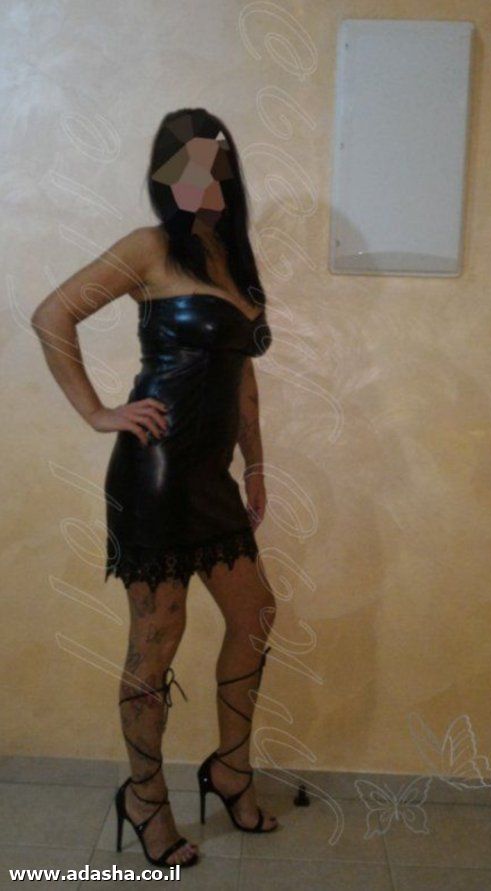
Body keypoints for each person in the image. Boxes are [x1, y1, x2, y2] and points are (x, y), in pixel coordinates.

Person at [31, 108, 279, 870]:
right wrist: (98, 411)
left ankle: (229, 767)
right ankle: (145, 796)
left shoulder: (231, 257)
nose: (205, 176)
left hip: (211, 477)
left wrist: (255, 464)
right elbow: (53, 314)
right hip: (156, 473)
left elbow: (242, 379)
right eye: (189, 163)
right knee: (157, 637)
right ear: (167, 173)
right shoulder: (149, 247)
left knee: (255, 613)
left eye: (216, 160)